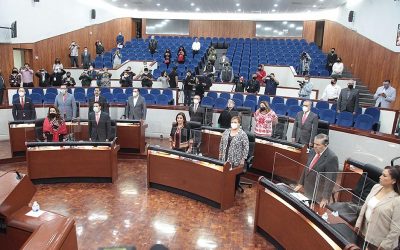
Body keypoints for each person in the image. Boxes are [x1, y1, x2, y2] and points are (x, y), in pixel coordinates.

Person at [355, 165, 400, 250]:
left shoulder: (397, 200)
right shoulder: (376, 187)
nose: (380, 177)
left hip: (379, 244)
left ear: (393, 181)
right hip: (364, 234)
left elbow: (396, 229)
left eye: (384, 176)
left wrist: (384, 246)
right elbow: (365, 206)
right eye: (381, 174)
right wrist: (358, 224)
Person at [294, 134, 338, 208]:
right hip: (307, 190)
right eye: (314, 143)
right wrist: (300, 184)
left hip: (318, 195)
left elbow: (330, 180)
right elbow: (307, 168)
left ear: (325, 145)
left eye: (318, 144)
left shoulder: (332, 158)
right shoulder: (312, 151)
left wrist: (325, 198)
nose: (314, 146)